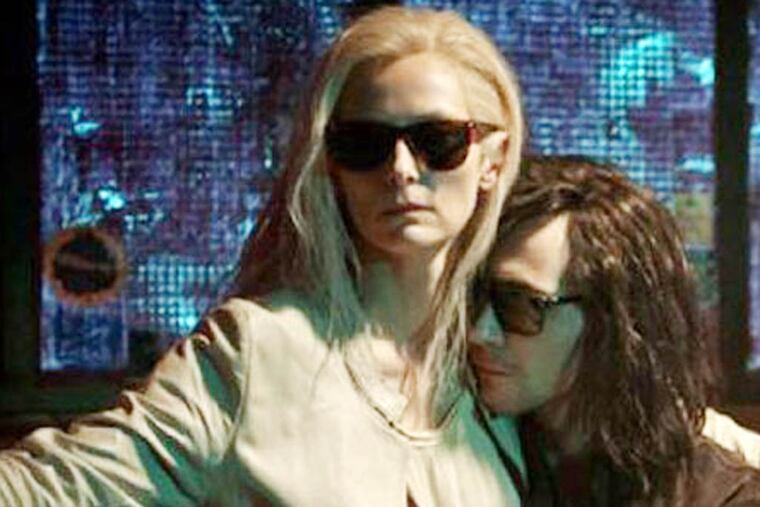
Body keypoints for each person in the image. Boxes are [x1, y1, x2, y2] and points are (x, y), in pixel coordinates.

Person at [0, 6, 527, 506]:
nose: (402, 170)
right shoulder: (259, 350)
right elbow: (44, 489)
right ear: (331, 165)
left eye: (438, 140)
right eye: (364, 143)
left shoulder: (500, 374)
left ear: (492, 159)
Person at [469, 155, 760, 505]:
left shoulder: (720, 495)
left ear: (611, 320)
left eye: (518, 304)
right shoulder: (476, 449)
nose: (479, 331)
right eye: (473, 297)